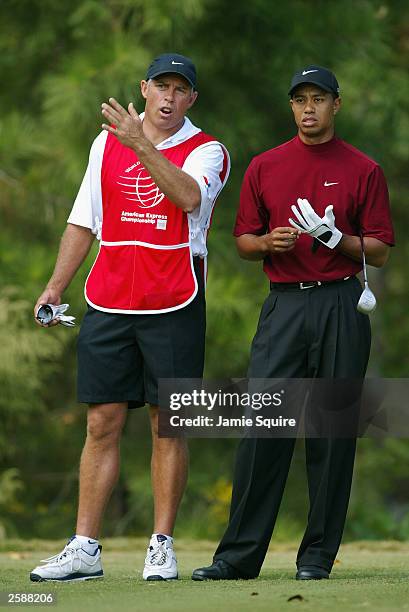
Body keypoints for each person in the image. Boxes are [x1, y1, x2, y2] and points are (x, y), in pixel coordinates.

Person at [30, 53, 230, 582]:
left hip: (175, 301)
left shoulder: (207, 150)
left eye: (179, 89)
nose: (168, 97)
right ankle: (84, 548)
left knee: (167, 424)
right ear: (144, 89)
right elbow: (83, 221)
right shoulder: (104, 142)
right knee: (101, 423)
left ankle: (160, 546)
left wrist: (140, 143)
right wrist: (54, 288)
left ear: (191, 99)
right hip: (109, 299)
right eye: (160, 86)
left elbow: (188, 197)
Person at [192, 64, 393, 582]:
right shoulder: (265, 165)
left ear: (336, 105)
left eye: (319, 99)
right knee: (263, 428)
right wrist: (267, 244)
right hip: (284, 305)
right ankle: (237, 558)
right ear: (292, 107)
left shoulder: (362, 169)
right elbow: (242, 242)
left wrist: (337, 239)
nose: (309, 108)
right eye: (300, 99)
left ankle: (317, 558)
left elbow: (380, 249)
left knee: (332, 431)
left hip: (342, 306)